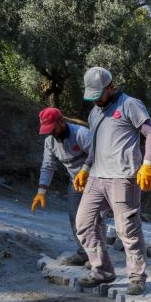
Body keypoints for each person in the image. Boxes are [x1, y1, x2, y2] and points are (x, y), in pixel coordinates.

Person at [73, 67, 151, 295]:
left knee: (127, 230)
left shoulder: (130, 104)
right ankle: (102, 271)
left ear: (110, 87)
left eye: (99, 94)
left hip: (123, 177)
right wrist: (84, 168)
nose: (96, 100)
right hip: (96, 177)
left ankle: (137, 277)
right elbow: (94, 147)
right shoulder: (94, 114)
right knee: (84, 223)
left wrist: (148, 164)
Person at [32, 107, 97, 267]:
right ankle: (84, 253)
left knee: (94, 219)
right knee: (75, 218)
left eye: (52, 128)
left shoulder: (81, 134)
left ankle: (97, 258)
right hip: (76, 182)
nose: (51, 132)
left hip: (97, 180)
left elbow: (98, 154)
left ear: (61, 121)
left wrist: (86, 171)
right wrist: (41, 191)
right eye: (47, 130)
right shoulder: (50, 142)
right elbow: (48, 166)